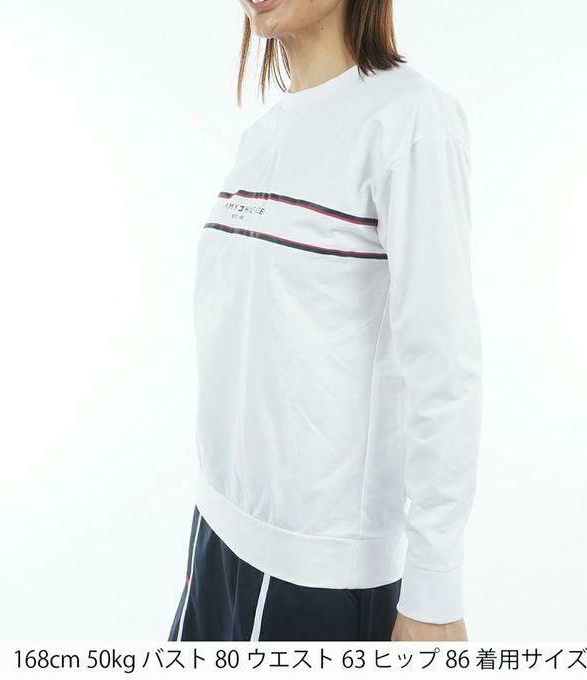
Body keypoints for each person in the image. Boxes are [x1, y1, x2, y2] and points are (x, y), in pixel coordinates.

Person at [169, 0, 483, 642]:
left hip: (318, 576)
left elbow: (444, 369)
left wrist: (434, 593)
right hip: (216, 535)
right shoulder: (262, 136)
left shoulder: (411, 121)